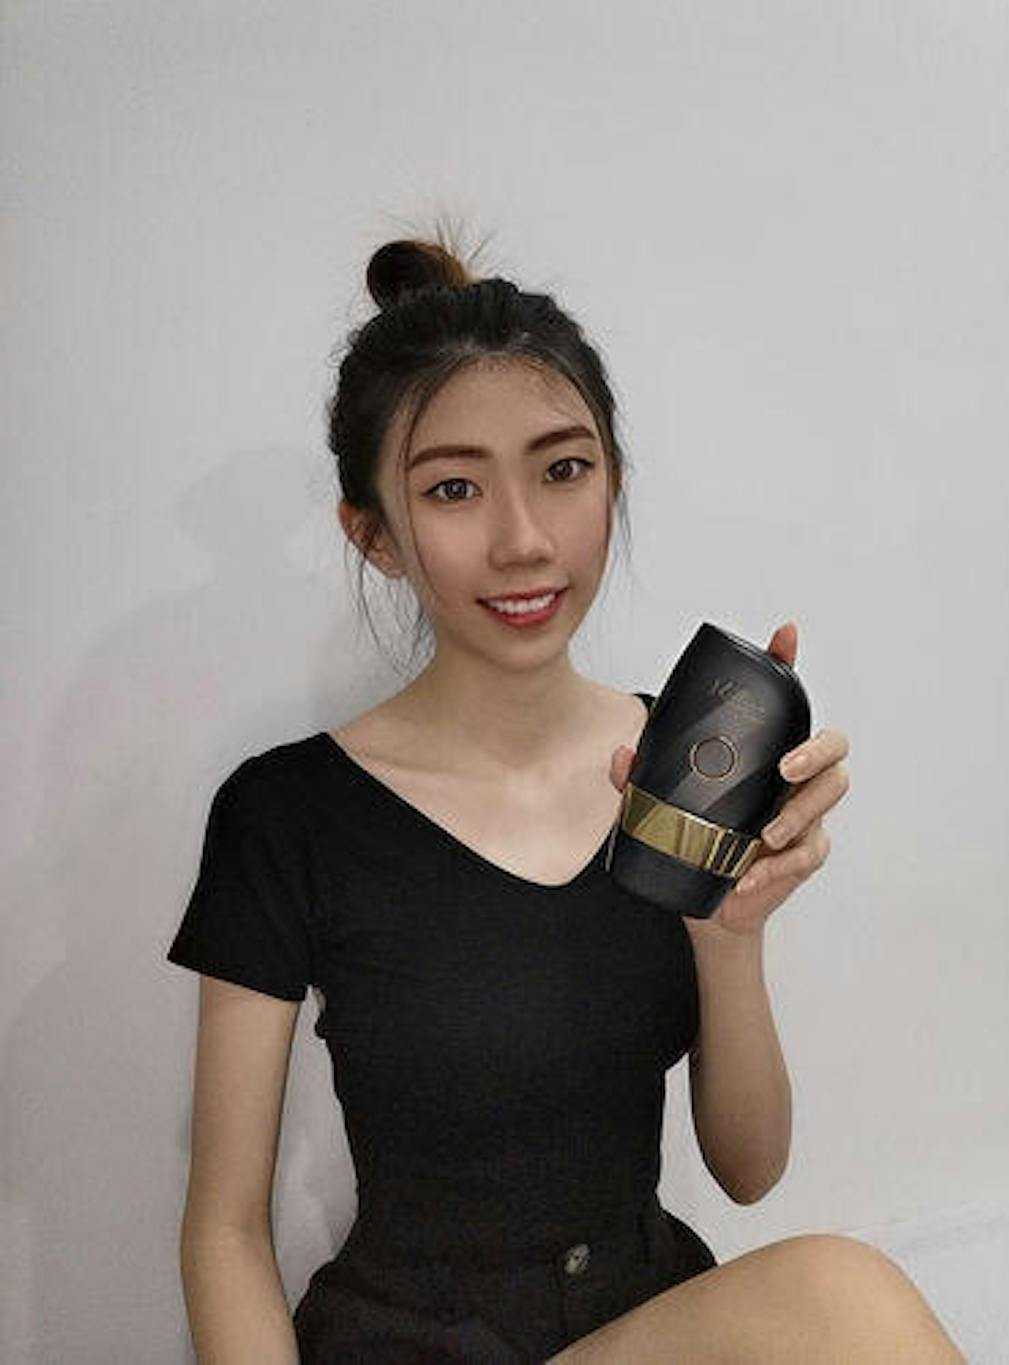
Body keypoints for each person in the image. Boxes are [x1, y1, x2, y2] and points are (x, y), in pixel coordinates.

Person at [166, 227, 964, 1363]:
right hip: (411, 1346)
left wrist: (729, 933)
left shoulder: (680, 762)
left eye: (563, 470)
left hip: (643, 1323)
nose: (524, 540)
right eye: (453, 489)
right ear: (373, 534)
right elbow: (226, 1229)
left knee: (844, 1293)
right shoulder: (287, 815)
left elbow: (747, 1169)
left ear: (613, 482)